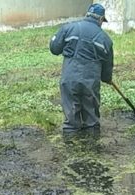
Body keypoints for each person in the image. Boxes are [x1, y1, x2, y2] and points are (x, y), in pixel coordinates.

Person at [50, 3, 113, 136]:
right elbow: (107, 68)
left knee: (71, 120)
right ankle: (93, 149)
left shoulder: (68, 28)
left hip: (69, 78)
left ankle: (71, 148)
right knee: (92, 120)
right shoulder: (105, 39)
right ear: (101, 19)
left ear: (87, 15)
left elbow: (54, 49)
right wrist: (107, 78)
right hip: (90, 81)